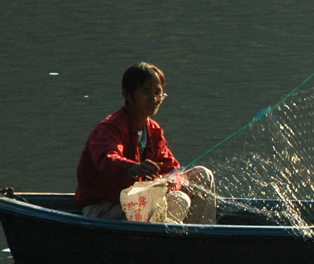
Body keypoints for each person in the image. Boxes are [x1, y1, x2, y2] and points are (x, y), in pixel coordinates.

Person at [74, 62, 215, 223]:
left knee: (202, 176)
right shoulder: (109, 128)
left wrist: (170, 182)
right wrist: (134, 168)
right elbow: (107, 159)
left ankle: (202, 236)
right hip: (104, 208)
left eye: (158, 92)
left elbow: (172, 168)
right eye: (146, 93)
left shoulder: (154, 130)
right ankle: (167, 243)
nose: (154, 99)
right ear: (127, 95)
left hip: (141, 202)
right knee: (178, 200)